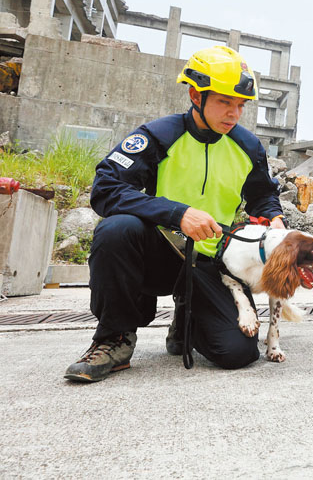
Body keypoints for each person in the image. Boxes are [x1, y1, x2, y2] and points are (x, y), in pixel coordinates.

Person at [64, 46, 285, 383]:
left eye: (241, 105)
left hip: (214, 263)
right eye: (225, 102)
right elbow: (106, 188)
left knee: (237, 352)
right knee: (117, 230)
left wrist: (275, 218)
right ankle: (114, 338)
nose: (234, 113)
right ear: (196, 95)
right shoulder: (158, 135)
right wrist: (176, 213)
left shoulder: (249, 147)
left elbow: (263, 196)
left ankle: (188, 318)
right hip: (160, 253)